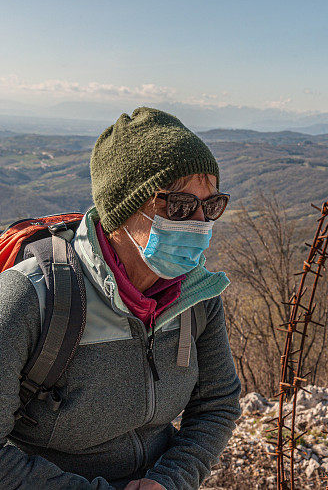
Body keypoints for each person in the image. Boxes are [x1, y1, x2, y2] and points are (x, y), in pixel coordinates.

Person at [0, 107, 242, 489]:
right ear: (123, 209)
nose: (200, 222)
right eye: (179, 205)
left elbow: (217, 404)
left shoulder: (194, 294)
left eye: (211, 205)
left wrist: (169, 480)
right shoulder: (32, 297)